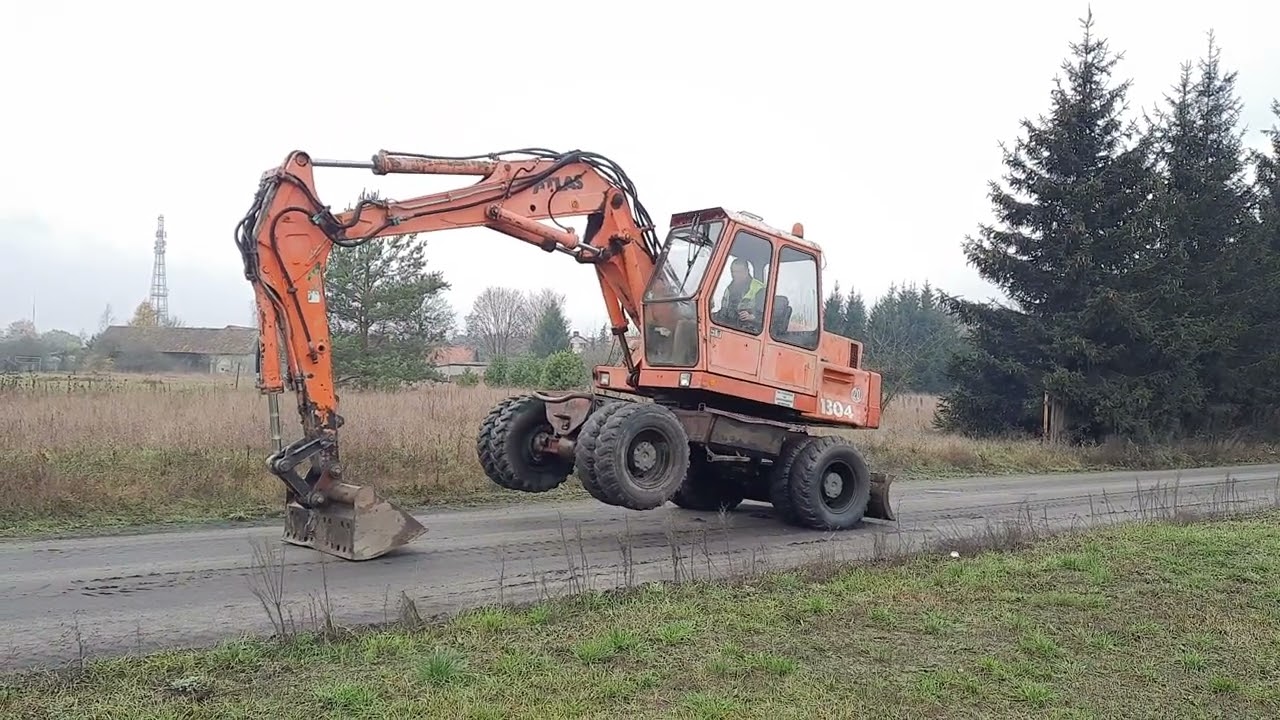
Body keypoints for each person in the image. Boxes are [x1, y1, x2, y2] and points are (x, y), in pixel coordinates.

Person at [716, 257, 765, 332]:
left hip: (751, 331)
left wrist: (752, 317)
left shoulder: (759, 289)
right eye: (733, 272)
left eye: (739, 272)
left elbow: (767, 316)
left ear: (747, 271)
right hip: (730, 327)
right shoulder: (729, 289)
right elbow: (724, 311)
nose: (735, 275)